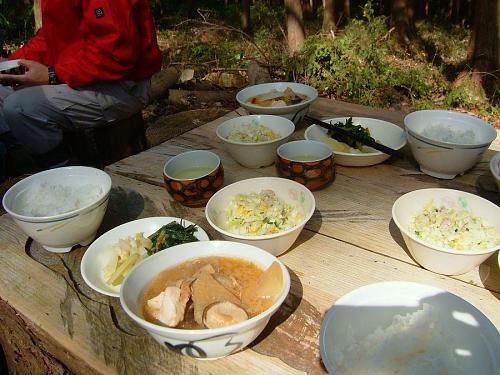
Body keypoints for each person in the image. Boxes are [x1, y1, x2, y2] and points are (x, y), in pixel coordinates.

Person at [0, 0, 162, 176]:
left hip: (124, 85)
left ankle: (67, 178)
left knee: (19, 108)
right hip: (80, 75)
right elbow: (52, 37)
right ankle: (22, 163)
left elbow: (116, 52)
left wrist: (52, 75)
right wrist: (12, 63)